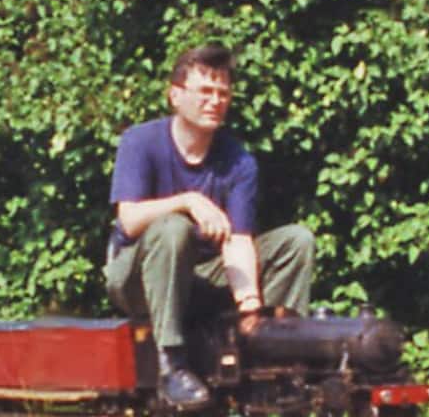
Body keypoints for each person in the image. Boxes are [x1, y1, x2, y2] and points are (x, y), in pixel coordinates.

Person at [104, 44, 316, 411]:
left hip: (201, 279)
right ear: (175, 95)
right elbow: (130, 219)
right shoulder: (140, 141)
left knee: (296, 240)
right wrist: (187, 201)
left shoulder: (238, 160)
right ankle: (171, 365)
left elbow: (239, 241)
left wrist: (250, 306)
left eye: (223, 93)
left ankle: (278, 352)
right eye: (205, 91)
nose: (215, 101)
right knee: (173, 228)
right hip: (137, 278)